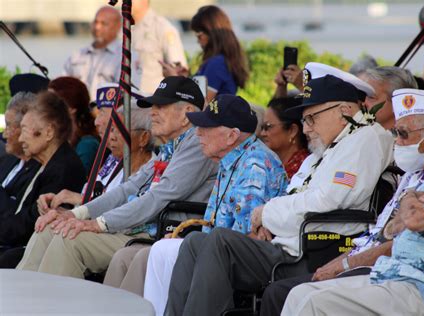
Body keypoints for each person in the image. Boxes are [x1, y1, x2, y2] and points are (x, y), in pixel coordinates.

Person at [164, 63, 394, 315]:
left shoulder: (365, 139)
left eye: (311, 117)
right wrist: (267, 220)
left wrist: (267, 214)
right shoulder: (327, 146)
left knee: (220, 240)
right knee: (195, 241)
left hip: (314, 248)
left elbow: (329, 200)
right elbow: (293, 193)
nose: (305, 128)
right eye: (305, 119)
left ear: (345, 110)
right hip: (287, 240)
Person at [281, 74, 424, 316]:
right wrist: (415, 199)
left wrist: (412, 201)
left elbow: (414, 221)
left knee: (315, 303)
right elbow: (396, 225)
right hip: (399, 273)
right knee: (300, 294)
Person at [16, 76, 218, 279]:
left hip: (158, 233)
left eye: (161, 106)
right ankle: (19, 303)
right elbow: (127, 189)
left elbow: (158, 197)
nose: (153, 112)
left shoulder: (197, 144)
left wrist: (99, 223)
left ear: (187, 114)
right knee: (50, 228)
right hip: (136, 228)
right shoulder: (169, 148)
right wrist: (76, 215)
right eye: (153, 106)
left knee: (67, 238)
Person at [104, 95, 286, 313]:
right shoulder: (230, 158)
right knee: (165, 248)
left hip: (245, 256)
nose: (198, 132)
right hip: (220, 246)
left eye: (207, 127)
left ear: (232, 135)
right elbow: (214, 224)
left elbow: (242, 236)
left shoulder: (254, 164)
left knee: (167, 249)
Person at [0, 91, 86, 268]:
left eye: (24, 130)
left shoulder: (64, 168)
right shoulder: (42, 163)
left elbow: (28, 226)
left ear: (48, 133)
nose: (21, 138)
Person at [37, 99, 154, 214]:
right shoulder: (114, 161)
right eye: (112, 129)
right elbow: (88, 199)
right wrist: (61, 212)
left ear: (143, 138)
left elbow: (127, 216)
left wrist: (83, 200)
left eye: (120, 131)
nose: (112, 137)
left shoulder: (153, 173)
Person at [162, 5, 249, 102]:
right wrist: (186, 78)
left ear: (212, 34)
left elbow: (201, 103)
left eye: (199, 36)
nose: (197, 41)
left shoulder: (217, 63)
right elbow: (198, 92)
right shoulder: (221, 61)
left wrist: (174, 80)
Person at [62, 6, 122, 99]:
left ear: (117, 27)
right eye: (95, 22)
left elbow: (126, 95)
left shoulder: (124, 58)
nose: (97, 27)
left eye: (104, 23)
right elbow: (62, 86)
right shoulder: (77, 55)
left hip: (106, 111)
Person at [131, 0, 187, 94]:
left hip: (152, 101)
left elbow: (180, 72)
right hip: (127, 101)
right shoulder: (123, 27)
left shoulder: (163, 28)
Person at [49, 77, 99, 174]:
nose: (44, 107)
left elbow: (72, 180)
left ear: (71, 108)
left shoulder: (87, 145)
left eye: (51, 103)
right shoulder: (60, 138)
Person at [0, 93, 41, 214]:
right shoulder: (8, 160)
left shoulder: (39, 173)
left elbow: (17, 217)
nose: (4, 134)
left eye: (9, 126)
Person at [259, 97, 309, 178]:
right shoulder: (267, 164)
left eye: (268, 126)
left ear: (292, 131)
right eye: (262, 127)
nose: (262, 133)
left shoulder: (304, 167)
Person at [357, 66, 418, 130]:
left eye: (371, 97)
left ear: (397, 105)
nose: (362, 103)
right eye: (362, 95)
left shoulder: (403, 139)